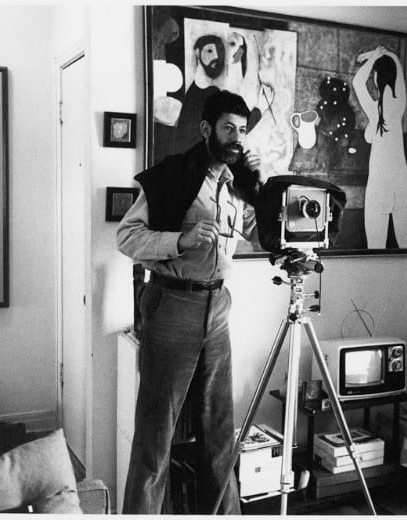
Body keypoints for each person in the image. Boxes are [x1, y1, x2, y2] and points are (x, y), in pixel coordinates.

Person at [117, 90, 269, 515]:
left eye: (242, 130)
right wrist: (179, 240)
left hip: (218, 308)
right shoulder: (176, 176)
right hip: (172, 305)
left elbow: (262, 237)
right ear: (206, 130)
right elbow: (126, 237)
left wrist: (263, 185)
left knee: (221, 434)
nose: (237, 138)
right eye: (228, 129)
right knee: (156, 437)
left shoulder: (239, 186)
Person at [352, 45, 407, 249]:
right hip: (401, 184)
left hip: (379, 185)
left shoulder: (375, 111)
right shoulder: (398, 105)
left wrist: (373, 57)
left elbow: (357, 82)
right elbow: (396, 62)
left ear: (376, 77)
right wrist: (382, 54)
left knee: (374, 250)